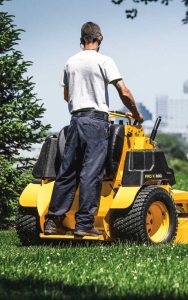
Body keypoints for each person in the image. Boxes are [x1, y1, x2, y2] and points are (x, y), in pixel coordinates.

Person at [44, 21, 143, 237]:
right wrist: (136, 113)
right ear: (99, 39)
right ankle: (84, 225)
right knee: (91, 172)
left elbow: (66, 96)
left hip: (76, 120)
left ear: (81, 40)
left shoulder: (70, 62)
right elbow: (123, 92)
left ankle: (52, 221)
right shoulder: (104, 60)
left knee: (68, 171)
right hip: (96, 122)